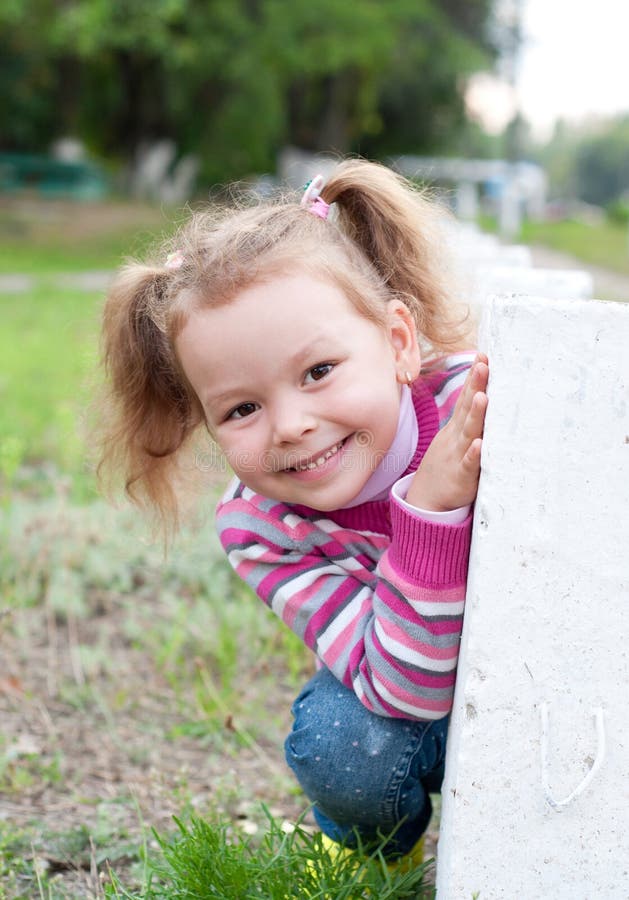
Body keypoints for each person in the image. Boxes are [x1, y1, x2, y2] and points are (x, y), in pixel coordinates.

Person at [97, 158, 488, 867]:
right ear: (207, 425)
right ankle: (377, 847)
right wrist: (428, 513)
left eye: (317, 372)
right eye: (241, 408)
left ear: (398, 343)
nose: (290, 425)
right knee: (341, 746)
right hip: (403, 694)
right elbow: (404, 691)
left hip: (540, 668)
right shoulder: (261, 528)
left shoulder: (481, 406)